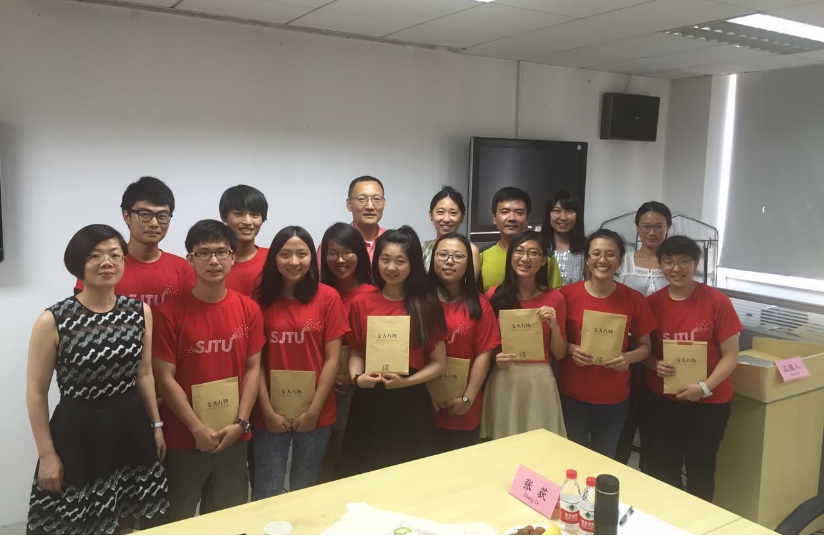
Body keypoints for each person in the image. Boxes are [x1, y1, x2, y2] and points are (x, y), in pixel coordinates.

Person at [26, 225, 168, 534]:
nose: (107, 263)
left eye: (115, 255)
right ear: (79, 263)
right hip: (79, 430)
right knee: (81, 520)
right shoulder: (53, 320)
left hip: (130, 424)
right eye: (95, 256)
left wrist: (156, 426)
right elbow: (36, 393)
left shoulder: (139, 312)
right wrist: (46, 454)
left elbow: (144, 373)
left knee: (128, 512)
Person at [152, 220, 264, 522]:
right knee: (178, 518)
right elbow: (164, 378)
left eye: (221, 252)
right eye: (203, 253)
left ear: (232, 257)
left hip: (233, 435)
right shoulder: (168, 313)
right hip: (184, 438)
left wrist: (241, 423)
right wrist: (197, 430)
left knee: (227, 518)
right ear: (190, 259)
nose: (213, 260)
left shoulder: (249, 310)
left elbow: (253, 369)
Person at [338, 226, 447, 477]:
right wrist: (357, 379)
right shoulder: (362, 302)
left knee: (410, 474)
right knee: (364, 471)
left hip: (411, 399)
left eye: (400, 261)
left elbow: (438, 363)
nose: (391, 267)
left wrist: (406, 382)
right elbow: (356, 352)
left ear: (412, 264)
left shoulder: (426, 305)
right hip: (369, 397)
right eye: (385, 259)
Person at [252, 226, 350, 499]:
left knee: (304, 490)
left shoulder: (328, 297)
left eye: (301, 254)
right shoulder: (259, 300)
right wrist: (267, 411)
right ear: (274, 258)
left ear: (312, 258)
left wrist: (314, 411)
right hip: (269, 412)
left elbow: (332, 359)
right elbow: (254, 363)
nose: (294, 262)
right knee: (267, 489)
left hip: (316, 412)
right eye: (285, 254)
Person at [643, 236, 741, 502]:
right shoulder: (652, 303)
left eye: (684, 261)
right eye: (669, 262)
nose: (676, 269)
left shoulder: (717, 302)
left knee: (701, 470)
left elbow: (731, 355)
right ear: (660, 265)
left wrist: (704, 387)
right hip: (663, 401)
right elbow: (644, 352)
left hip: (708, 403)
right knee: (663, 471)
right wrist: (654, 364)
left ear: (695, 263)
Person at [558, 229, 656, 458]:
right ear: (587, 259)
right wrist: (572, 349)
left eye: (610, 254)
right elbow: (555, 342)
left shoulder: (633, 300)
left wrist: (628, 357)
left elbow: (645, 347)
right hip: (571, 395)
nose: (602, 260)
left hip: (614, 399)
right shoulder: (566, 296)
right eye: (596, 254)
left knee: (603, 461)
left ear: (620, 261)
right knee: (571, 460)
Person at [482, 230, 567, 440]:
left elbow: (560, 354)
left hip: (539, 380)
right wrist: (495, 357)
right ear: (511, 256)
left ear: (543, 261)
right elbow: (487, 346)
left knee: (539, 443)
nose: (525, 258)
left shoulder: (555, 298)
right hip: (505, 377)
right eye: (519, 251)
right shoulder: (494, 296)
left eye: (533, 253)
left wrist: (555, 327)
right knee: (503, 442)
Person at [74, 176, 194, 307]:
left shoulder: (183, 269)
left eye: (162, 216)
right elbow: (83, 314)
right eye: (145, 214)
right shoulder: (101, 265)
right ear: (126, 216)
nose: (154, 223)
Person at [428, 232, 499, 451]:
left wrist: (468, 399)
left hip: (464, 405)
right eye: (443, 255)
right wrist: (428, 392)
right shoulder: (419, 302)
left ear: (468, 263)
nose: (449, 261)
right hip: (425, 403)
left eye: (458, 256)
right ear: (433, 259)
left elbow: (484, 354)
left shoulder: (480, 305)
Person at [317, 222, 376, 480]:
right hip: (319, 383)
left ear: (359, 254)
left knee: (349, 457)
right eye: (332, 253)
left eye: (347, 252)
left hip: (358, 384)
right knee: (320, 459)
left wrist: (351, 378)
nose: (340, 260)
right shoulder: (317, 293)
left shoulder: (373, 294)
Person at [480, 187, 562, 292]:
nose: (511, 218)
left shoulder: (545, 256)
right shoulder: (481, 256)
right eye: (505, 212)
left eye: (519, 212)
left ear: (527, 219)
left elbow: (555, 296)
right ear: (494, 218)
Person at [422, 187, 481, 282]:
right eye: (440, 212)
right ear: (431, 215)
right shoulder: (422, 248)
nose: (446, 219)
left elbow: (469, 286)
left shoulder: (470, 250)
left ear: (462, 217)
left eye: (453, 213)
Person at [220, 184, 269, 297]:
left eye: (254, 215)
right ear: (223, 216)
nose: (247, 221)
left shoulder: (274, 259)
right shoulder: (212, 262)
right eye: (239, 214)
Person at [616, 201, 672, 297]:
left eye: (659, 227)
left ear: (668, 228)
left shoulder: (677, 263)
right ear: (638, 228)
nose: (652, 233)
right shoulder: (623, 262)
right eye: (646, 227)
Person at [541, 190, 586, 287]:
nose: (563, 217)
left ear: (577, 215)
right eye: (557, 211)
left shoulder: (586, 249)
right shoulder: (538, 247)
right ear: (549, 214)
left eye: (569, 211)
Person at [346, 176, 387, 261]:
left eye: (376, 199)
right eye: (362, 199)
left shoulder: (394, 241)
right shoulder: (335, 243)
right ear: (349, 204)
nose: (370, 206)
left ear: (384, 204)